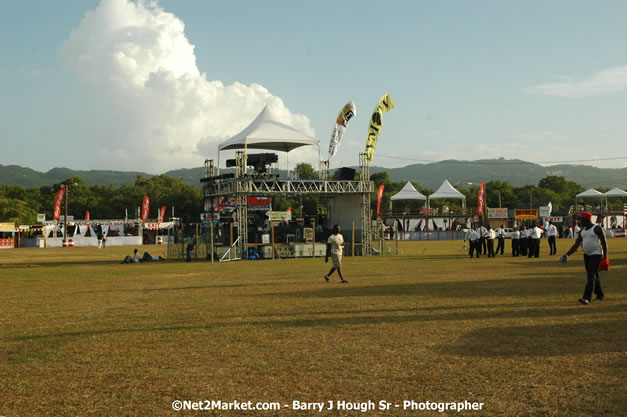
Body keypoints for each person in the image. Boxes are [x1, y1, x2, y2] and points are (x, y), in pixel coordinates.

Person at [561, 212, 608, 305]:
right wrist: (567, 254)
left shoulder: (597, 228)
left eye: (581, 219)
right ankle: (600, 294)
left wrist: (605, 256)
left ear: (587, 219)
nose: (580, 221)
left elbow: (604, 242)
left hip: (596, 255)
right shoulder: (583, 231)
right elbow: (576, 244)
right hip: (587, 256)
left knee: (591, 276)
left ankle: (587, 298)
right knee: (594, 275)